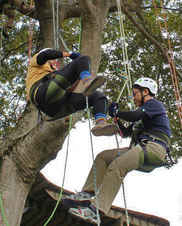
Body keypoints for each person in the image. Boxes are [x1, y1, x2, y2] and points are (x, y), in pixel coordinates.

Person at [63, 77, 172, 224]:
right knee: (104, 157)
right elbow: (125, 133)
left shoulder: (154, 104)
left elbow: (134, 115)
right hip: (140, 148)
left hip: (153, 148)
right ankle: (87, 193)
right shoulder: (143, 115)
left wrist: (118, 112)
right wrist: (116, 118)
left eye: (135, 94)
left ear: (146, 91)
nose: (133, 98)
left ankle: (96, 211)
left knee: (118, 166)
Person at [26, 48, 118, 136]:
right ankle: (87, 81)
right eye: (53, 59)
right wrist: (70, 55)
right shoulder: (37, 63)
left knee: (98, 96)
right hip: (40, 91)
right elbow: (46, 54)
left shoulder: (53, 73)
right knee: (83, 59)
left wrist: (78, 78)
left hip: (54, 108)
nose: (55, 61)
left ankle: (100, 123)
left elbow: (69, 90)